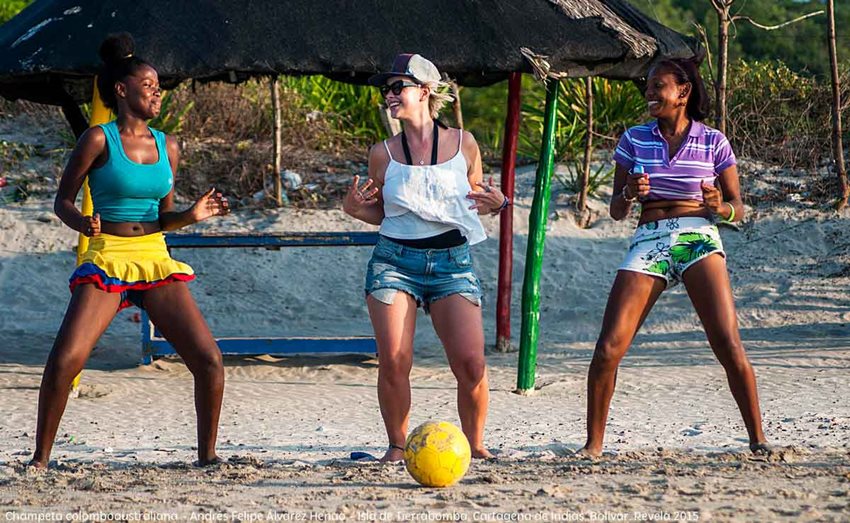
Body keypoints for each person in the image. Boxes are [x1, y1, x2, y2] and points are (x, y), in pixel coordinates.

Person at [28, 33, 229, 469]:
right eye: (149, 85)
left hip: (154, 256)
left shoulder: (168, 145)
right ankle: (40, 459)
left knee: (209, 360)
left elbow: (164, 217)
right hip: (108, 256)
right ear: (122, 90)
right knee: (66, 359)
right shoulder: (97, 140)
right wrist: (81, 222)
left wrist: (192, 215)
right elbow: (62, 201)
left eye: (159, 86)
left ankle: (208, 457)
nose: (157, 92)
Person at [581, 58, 770, 457]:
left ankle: (758, 439)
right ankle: (593, 445)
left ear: (683, 92)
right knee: (608, 347)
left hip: (695, 235)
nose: (650, 94)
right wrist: (629, 192)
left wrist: (720, 208)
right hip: (649, 238)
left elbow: (739, 207)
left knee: (727, 341)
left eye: (658, 86)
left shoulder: (713, 141)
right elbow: (616, 210)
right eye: (648, 87)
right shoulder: (633, 139)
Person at [343, 54, 508, 462]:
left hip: (452, 262)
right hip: (394, 262)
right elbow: (383, 213)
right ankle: (397, 447)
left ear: (425, 91)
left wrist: (499, 204)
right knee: (395, 360)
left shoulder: (465, 143)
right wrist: (353, 209)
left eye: (397, 87)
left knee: (472, 364)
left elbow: (476, 202)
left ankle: (475, 446)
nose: (389, 95)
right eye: (386, 89)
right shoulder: (381, 153)